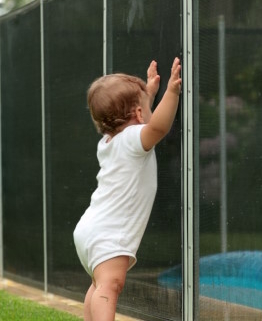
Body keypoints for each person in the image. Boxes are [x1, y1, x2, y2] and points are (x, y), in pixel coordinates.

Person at [73, 58, 182, 321]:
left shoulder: (110, 142)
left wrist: (149, 96)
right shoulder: (134, 141)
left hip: (90, 230)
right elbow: (157, 127)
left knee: (100, 285)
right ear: (138, 115)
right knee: (110, 285)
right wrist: (171, 92)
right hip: (108, 234)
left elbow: (145, 121)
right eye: (145, 105)